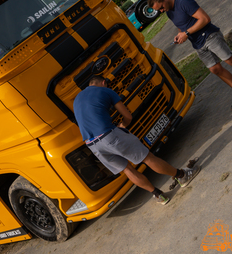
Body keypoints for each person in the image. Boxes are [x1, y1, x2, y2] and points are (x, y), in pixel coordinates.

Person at [73, 75, 200, 205]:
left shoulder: (77, 99)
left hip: (92, 145)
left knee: (127, 169)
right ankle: (182, 176)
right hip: (108, 136)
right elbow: (128, 116)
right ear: (104, 82)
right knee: (148, 158)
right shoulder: (105, 90)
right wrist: (122, 125)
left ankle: (158, 195)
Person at [147, 0, 232, 110]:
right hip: (198, 44)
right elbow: (180, 26)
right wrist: (180, 34)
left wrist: (186, 33)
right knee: (215, 69)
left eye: (161, 7)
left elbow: (205, 19)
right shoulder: (169, 12)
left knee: (231, 61)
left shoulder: (184, 3)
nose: (161, 11)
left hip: (210, 35)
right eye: (159, 10)